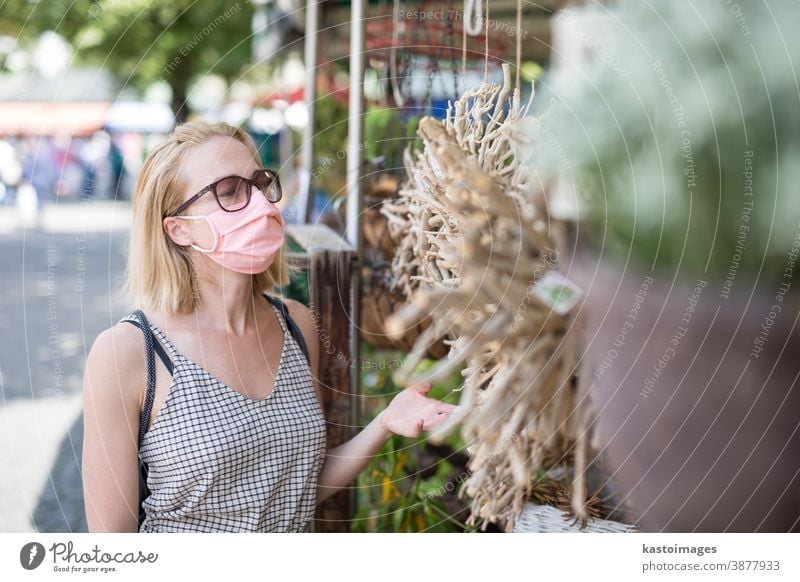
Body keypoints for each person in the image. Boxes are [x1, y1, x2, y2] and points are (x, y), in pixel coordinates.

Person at [81, 120, 456, 533]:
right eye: (229, 192)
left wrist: (385, 422)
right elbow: (111, 547)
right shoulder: (129, 353)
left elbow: (295, 489)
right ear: (178, 228)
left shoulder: (296, 324)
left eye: (259, 184)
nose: (260, 204)